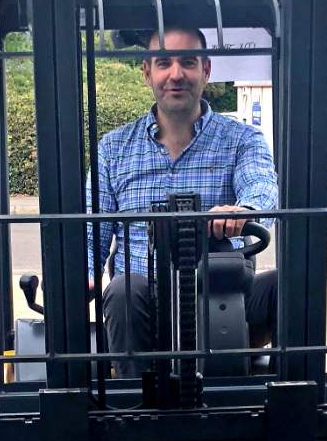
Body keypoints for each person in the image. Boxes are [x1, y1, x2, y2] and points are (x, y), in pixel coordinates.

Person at [86, 25, 278, 377]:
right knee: (124, 288)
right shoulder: (113, 149)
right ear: (147, 72)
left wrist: (244, 210)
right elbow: (91, 234)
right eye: (164, 63)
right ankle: (134, 407)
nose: (176, 74)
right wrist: (83, 277)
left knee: (285, 283)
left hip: (223, 300)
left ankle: (284, 401)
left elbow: (262, 187)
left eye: (188, 62)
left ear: (205, 70)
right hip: (141, 306)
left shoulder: (242, 140)